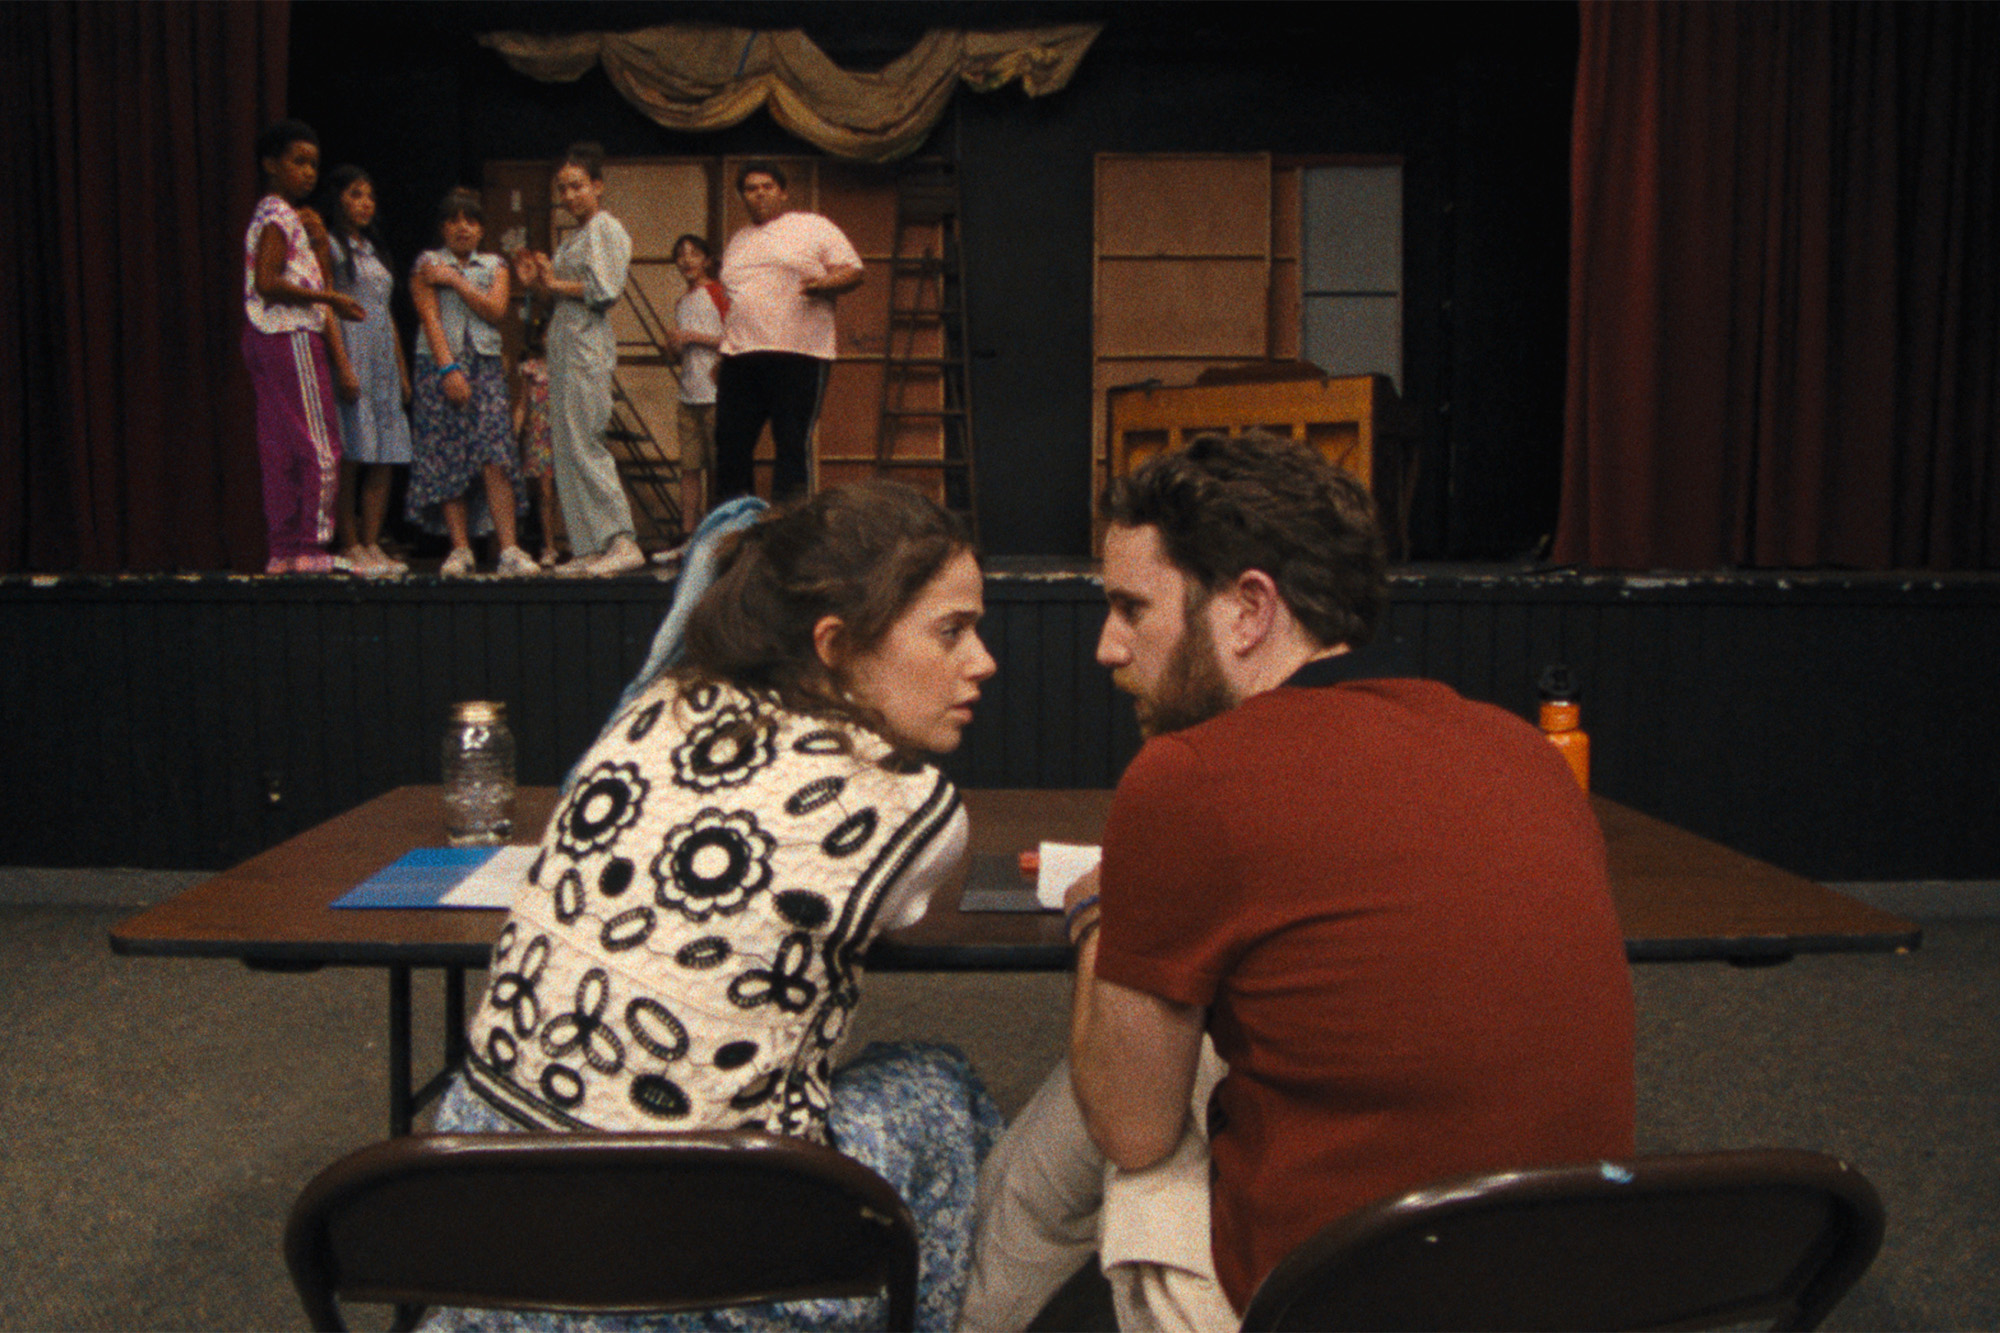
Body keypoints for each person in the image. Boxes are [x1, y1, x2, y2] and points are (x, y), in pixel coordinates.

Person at [961, 433, 1637, 1332]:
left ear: (1249, 608)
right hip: (1563, 1291)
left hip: (1329, 1298)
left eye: (1131, 607)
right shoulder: (1524, 749)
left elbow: (1132, 1127)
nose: (1106, 647)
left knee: (1102, 1110)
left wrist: (1098, 914)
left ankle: (978, 1316)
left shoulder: (1190, 776)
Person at [428, 479, 1004, 1332]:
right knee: (939, 1083)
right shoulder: (908, 805)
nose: (983, 660)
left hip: (481, 1227)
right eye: (952, 630)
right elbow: (890, 907)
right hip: (700, 1258)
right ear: (836, 644)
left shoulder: (654, 709)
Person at [515, 142, 644, 577]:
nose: (569, 196)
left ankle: (621, 539)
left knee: (586, 440)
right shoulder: (574, 238)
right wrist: (538, 283)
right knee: (567, 447)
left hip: (587, 345)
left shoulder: (606, 228)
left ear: (597, 186)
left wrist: (554, 282)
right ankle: (590, 544)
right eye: (563, 188)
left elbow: (605, 290)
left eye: (577, 186)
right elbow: (558, 296)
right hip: (565, 344)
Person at [241, 119, 364, 575]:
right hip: (290, 336)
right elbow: (267, 281)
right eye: (298, 162)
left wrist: (316, 246)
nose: (309, 172)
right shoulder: (278, 214)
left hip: (265, 337)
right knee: (321, 445)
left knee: (282, 448)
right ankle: (312, 545)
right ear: (271, 164)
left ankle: (285, 549)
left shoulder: (280, 215)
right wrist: (330, 299)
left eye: (314, 164)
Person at [712, 161, 863, 505]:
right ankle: (738, 524)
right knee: (730, 442)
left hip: (799, 353)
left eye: (767, 186)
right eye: (751, 188)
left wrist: (821, 284)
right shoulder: (738, 240)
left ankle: (792, 524)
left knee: (791, 442)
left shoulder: (811, 226)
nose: (759, 194)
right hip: (740, 355)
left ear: (782, 192)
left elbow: (853, 271)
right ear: (742, 197)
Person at [405, 187, 536, 578]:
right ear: (443, 228)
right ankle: (460, 547)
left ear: (481, 229)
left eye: (471, 220)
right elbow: (429, 317)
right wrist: (448, 370)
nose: (462, 227)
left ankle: (509, 548)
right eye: (453, 220)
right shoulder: (428, 263)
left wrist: (457, 280)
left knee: (496, 451)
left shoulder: (495, 264)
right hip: (440, 364)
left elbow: (496, 310)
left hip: (485, 364)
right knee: (448, 451)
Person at [320, 164, 413, 576]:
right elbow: (326, 306)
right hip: (352, 350)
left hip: (382, 358)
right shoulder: (330, 245)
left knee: (385, 452)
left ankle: (373, 542)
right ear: (337, 197)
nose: (365, 203)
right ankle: (351, 542)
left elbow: (386, 312)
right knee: (353, 450)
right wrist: (342, 365)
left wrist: (401, 370)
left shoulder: (374, 249)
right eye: (356, 194)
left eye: (370, 196)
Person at [665, 232, 727, 539]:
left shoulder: (718, 293)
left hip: (716, 394)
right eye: (680, 255)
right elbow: (679, 355)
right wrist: (673, 346)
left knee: (718, 466)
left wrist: (693, 337)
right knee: (689, 468)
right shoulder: (682, 302)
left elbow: (735, 337)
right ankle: (688, 533)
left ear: (707, 260)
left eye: (693, 253)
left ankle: (719, 532)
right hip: (688, 394)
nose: (686, 260)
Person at [512, 315, 561, 567]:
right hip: (540, 433)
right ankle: (549, 545)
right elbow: (522, 404)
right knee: (544, 490)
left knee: (567, 489)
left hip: (562, 432)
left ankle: (575, 542)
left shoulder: (567, 367)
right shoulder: (531, 368)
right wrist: (514, 433)